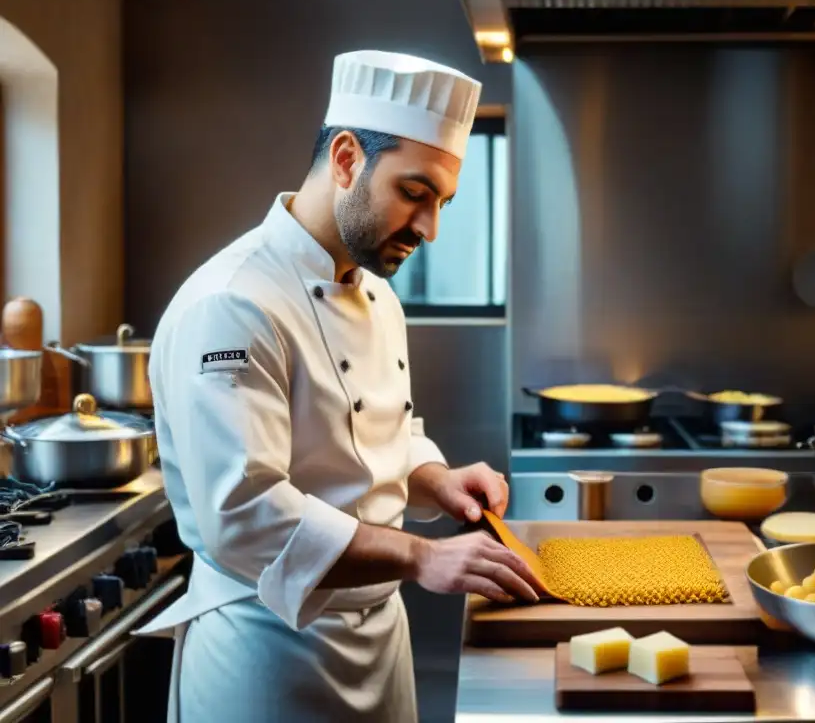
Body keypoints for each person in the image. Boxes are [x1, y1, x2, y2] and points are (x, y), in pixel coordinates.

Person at [137, 50, 541, 723]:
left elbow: (376, 439)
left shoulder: (378, 297)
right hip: (268, 655)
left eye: (440, 203)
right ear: (348, 158)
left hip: (380, 644)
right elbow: (244, 513)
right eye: (414, 194)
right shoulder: (234, 303)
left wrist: (435, 477)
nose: (429, 228)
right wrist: (420, 556)